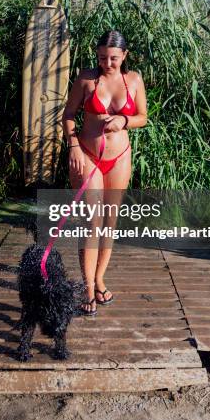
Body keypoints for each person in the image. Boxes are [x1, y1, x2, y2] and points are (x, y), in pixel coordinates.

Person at [62, 30, 147, 315]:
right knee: (92, 222)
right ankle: (87, 288)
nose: (106, 63)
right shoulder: (86, 79)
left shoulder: (134, 80)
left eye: (112, 58)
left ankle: (99, 279)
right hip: (87, 156)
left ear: (124, 55)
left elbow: (143, 117)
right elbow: (69, 115)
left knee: (110, 221)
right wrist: (73, 147)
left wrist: (124, 120)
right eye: (101, 58)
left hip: (120, 156)